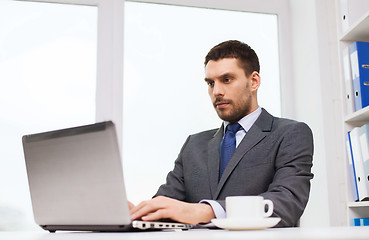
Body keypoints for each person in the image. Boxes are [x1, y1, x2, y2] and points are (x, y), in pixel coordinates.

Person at [130, 40, 314, 227]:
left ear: (254, 81)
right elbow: (166, 205)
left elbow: (286, 202)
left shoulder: (290, 134)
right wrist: (137, 213)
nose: (216, 91)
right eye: (210, 83)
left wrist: (207, 211)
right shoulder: (193, 145)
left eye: (226, 80)